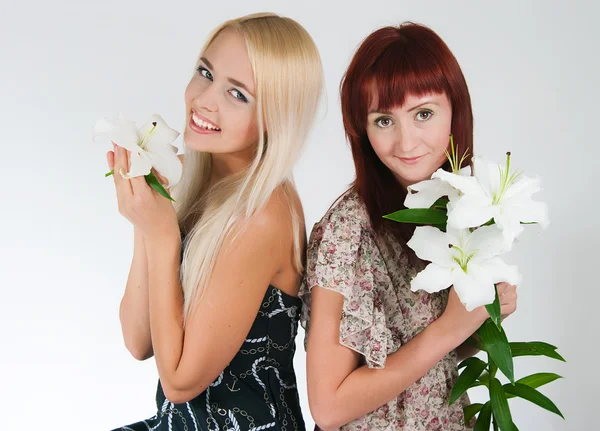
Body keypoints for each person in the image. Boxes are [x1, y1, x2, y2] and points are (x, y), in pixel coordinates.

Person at [107, 12, 323, 431]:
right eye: (205, 72)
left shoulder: (261, 214)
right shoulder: (194, 176)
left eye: (238, 94)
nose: (204, 100)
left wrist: (161, 233)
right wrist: (147, 216)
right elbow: (138, 341)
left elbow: (180, 382)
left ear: (276, 117)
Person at [299, 23, 518, 431]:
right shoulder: (347, 232)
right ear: (361, 129)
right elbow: (327, 408)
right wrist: (449, 329)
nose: (407, 142)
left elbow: (422, 361)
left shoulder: (456, 208)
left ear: (456, 110)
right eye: (384, 120)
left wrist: (478, 322)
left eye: (423, 114)